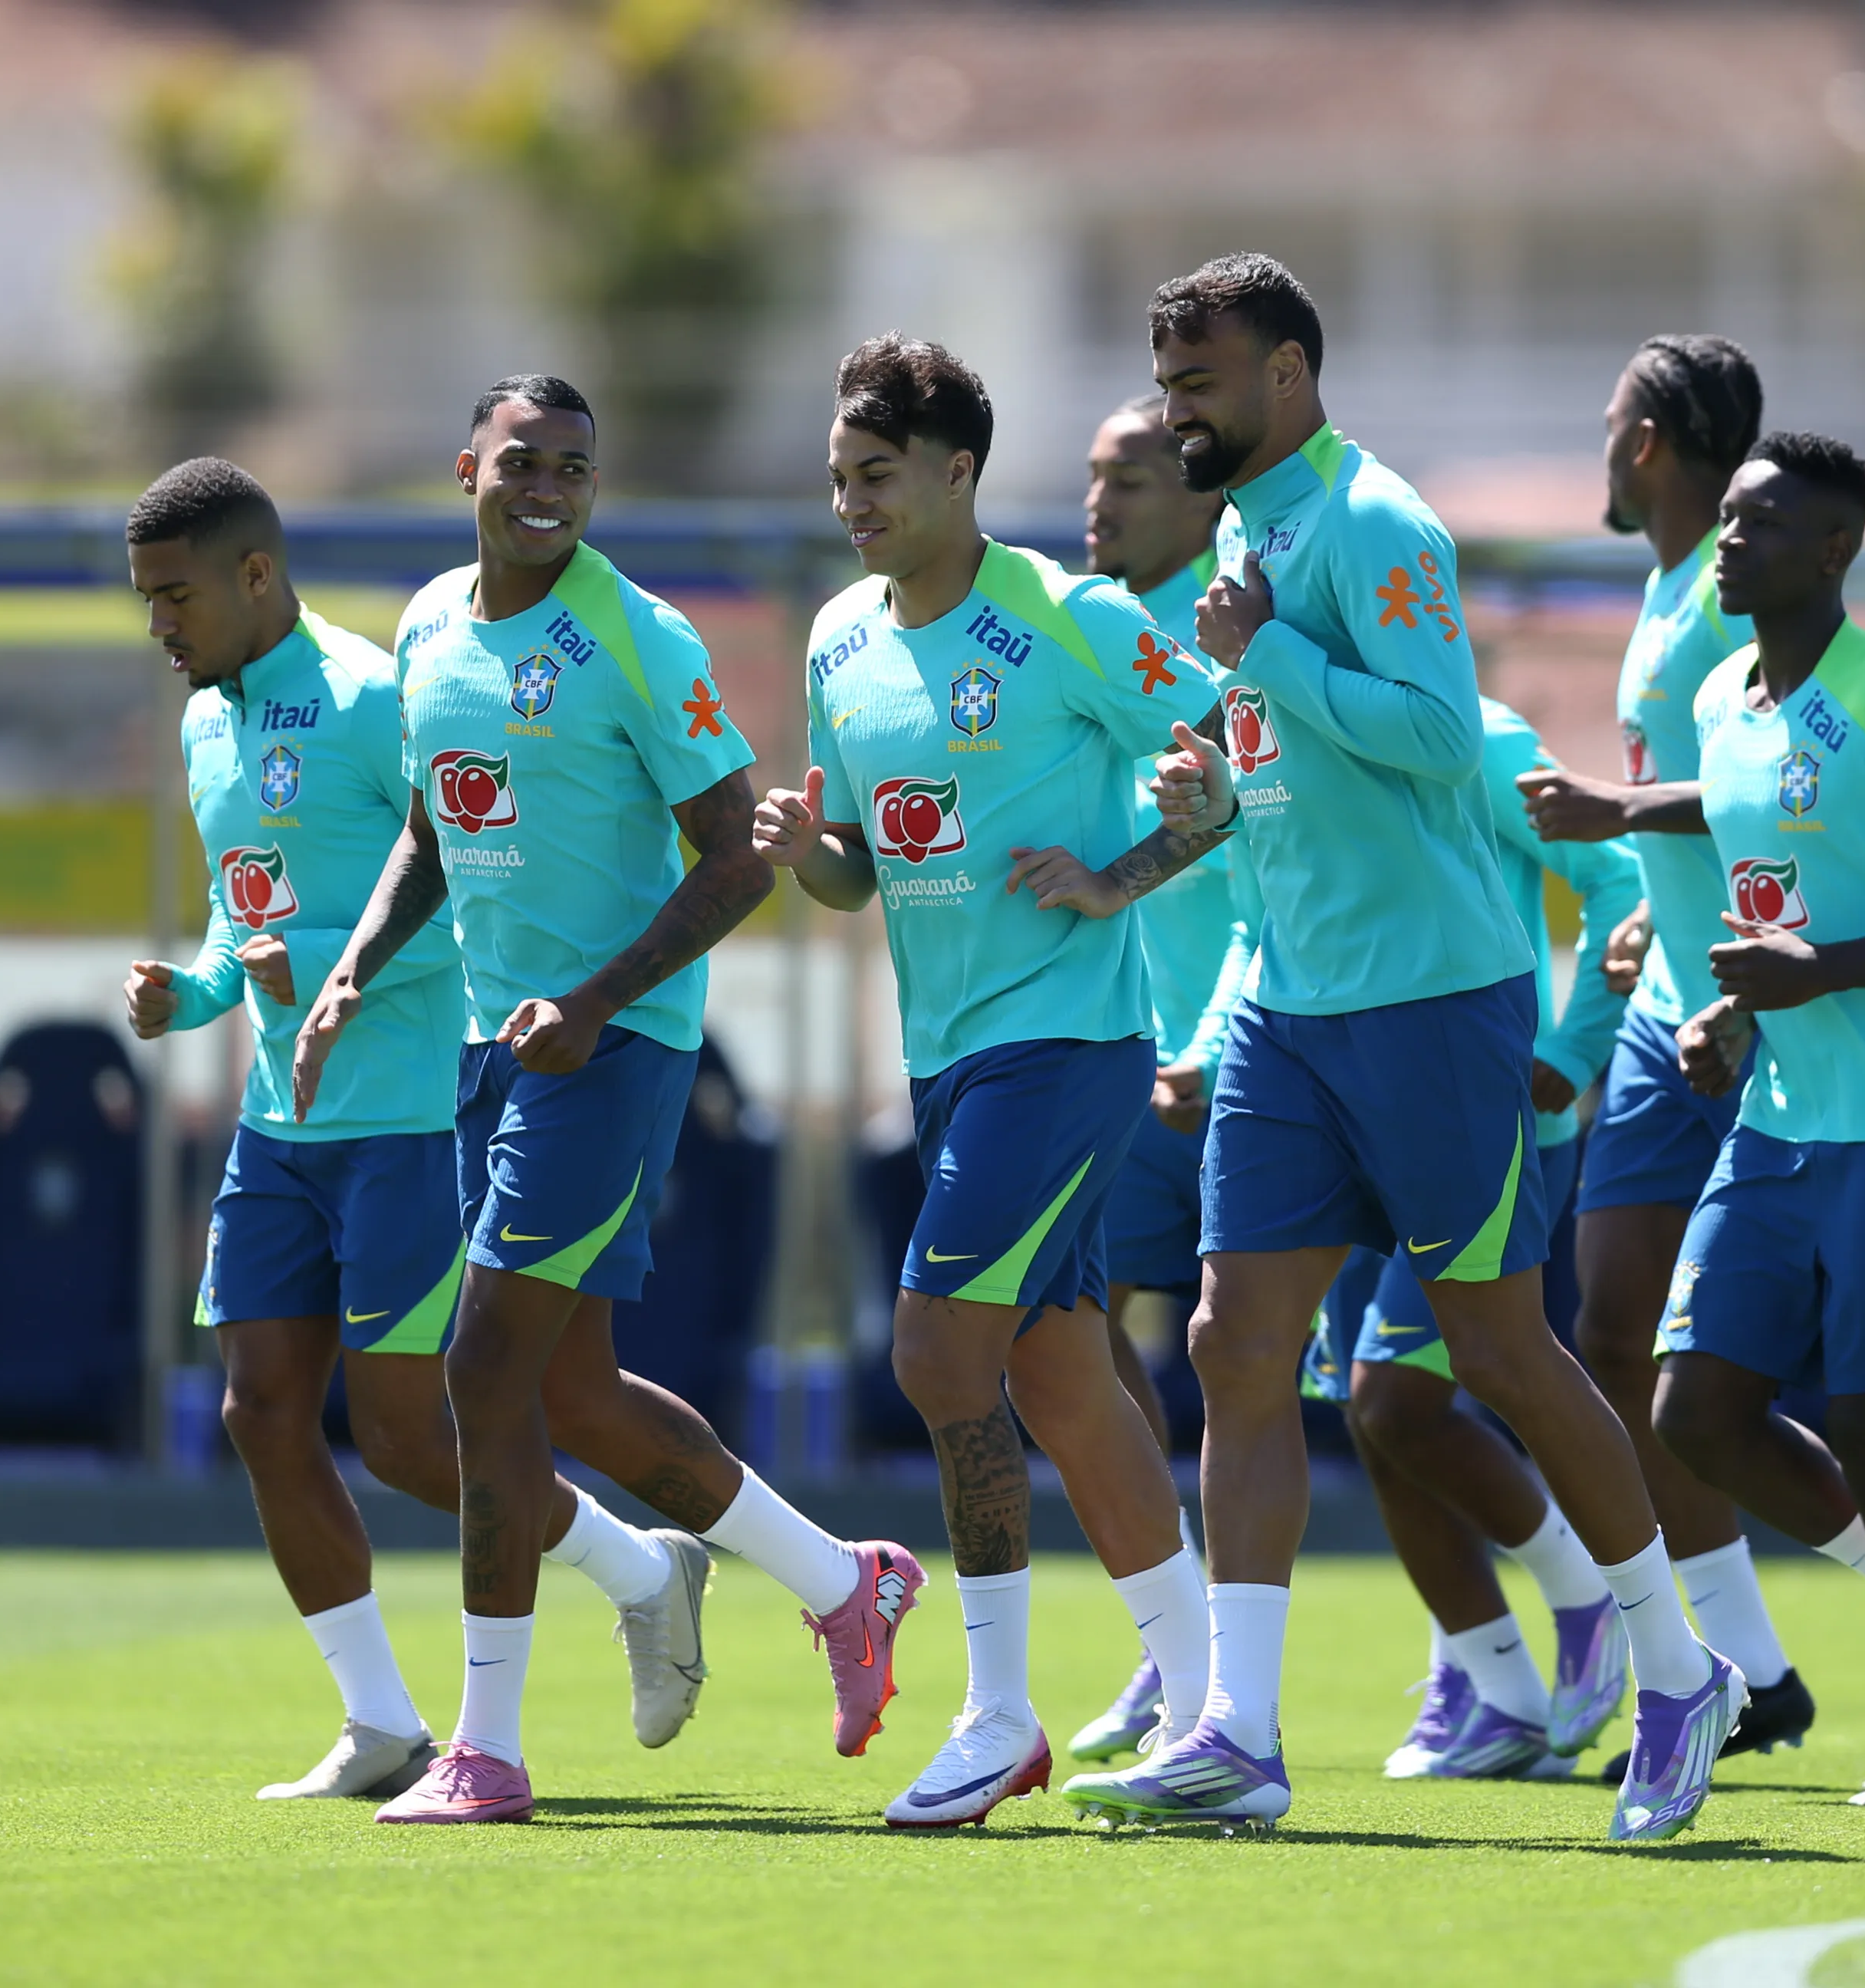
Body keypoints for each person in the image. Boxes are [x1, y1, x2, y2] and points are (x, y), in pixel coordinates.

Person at [1062, 253, 1736, 1842]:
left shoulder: (1375, 522)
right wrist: (1207, 801)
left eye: (1201, 381)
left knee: (1500, 1350)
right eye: (1167, 384)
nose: (1179, 411)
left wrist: (1268, 656)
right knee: (1236, 1345)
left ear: (1289, 372)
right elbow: (1281, 770)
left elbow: (1443, 738)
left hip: (1436, 1001)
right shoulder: (1240, 533)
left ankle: (1674, 1666)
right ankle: (1236, 1729)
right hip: (1291, 1008)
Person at [296, 375, 922, 1825]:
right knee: (569, 1386)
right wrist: (352, 971)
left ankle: (487, 1749)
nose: (551, 487)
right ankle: (847, 1583)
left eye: (577, 466)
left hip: (614, 1046)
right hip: (489, 1046)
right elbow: (431, 831)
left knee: (483, 1372)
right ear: (469, 465)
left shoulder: (640, 638)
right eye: (525, 460)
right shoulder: (434, 620)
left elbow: (738, 858)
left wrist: (590, 1002)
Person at [123, 457, 699, 1803]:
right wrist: (197, 990)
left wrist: (309, 955)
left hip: (409, 1119)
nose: (158, 624)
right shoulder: (210, 719)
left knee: (399, 1437)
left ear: (257, 573)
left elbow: (460, 899)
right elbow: (240, 913)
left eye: (174, 596)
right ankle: (381, 1723)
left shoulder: (382, 697)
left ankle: (638, 1565)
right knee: (262, 1411)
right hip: (281, 1128)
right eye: (145, 600)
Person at [1520, 340, 1865, 1782]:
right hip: (1780, 1109)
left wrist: (1831, 973)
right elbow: (1758, 893)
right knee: (1692, 1405)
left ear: (1839, 548)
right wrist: (1727, 1009)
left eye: (1764, 524)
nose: (1732, 541)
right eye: (1729, 516)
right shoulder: (1731, 704)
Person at [754, 337, 1225, 1827]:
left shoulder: (1064, 614)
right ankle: (1215, 1710)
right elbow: (856, 875)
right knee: (1059, 1377)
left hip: (1068, 1046)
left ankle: (998, 1711)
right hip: (948, 1055)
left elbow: (1225, 759)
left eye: (878, 476)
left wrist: (1124, 872)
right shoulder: (837, 638)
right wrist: (802, 853)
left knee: (936, 1354)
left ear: (960, 472)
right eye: (840, 479)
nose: (855, 504)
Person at [1310, 693, 1640, 1781]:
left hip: (1480, 1113)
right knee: (1378, 1420)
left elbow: (1615, 878)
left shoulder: (1477, 737)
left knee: (1393, 1397)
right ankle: (1492, 1684)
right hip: (1343, 1109)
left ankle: (1586, 1597)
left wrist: (1576, 1046)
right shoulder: (1292, 724)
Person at [1071, 393, 1239, 1766]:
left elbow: (1266, 867)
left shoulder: (1229, 648)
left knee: (1361, 1385)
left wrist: (1220, 1035)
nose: (1100, 505)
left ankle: (1530, 1632)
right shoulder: (1082, 633)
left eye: (1130, 480)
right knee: (1098, 1339)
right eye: (1092, 479)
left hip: (1258, 1048)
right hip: (1132, 1053)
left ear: (1200, 500)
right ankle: (1175, 1638)